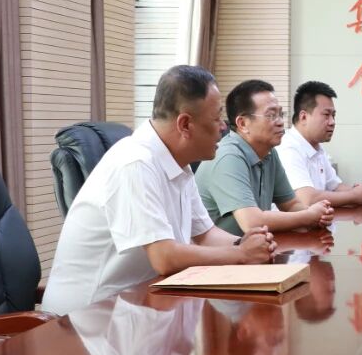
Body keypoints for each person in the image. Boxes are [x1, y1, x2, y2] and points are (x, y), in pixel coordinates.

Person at [42, 66, 276, 316]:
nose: (223, 127)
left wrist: (251, 244)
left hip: (140, 306)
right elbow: (164, 257)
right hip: (88, 320)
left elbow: (206, 234)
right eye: (216, 118)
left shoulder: (179, 163)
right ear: (185, 124)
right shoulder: (135, 164)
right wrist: (240, 254)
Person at [195, 79, 334, 236]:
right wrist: (308, 216)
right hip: (219, 250)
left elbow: (291, 205)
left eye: (281, 114)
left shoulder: (269, 152)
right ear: (243, 123)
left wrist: (318, 215)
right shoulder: (228, 157)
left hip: (253, 246)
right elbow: (252, 223)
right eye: (271, 115)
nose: (280, 122)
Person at [277, 80, 362, 208]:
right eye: (326, 115)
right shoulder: (288, 148)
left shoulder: (317, 148)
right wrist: (354, 195)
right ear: (303, 117)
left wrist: (359, 192)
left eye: (333, 115)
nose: (332, 122)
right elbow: (307, 199)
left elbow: (335, 187)